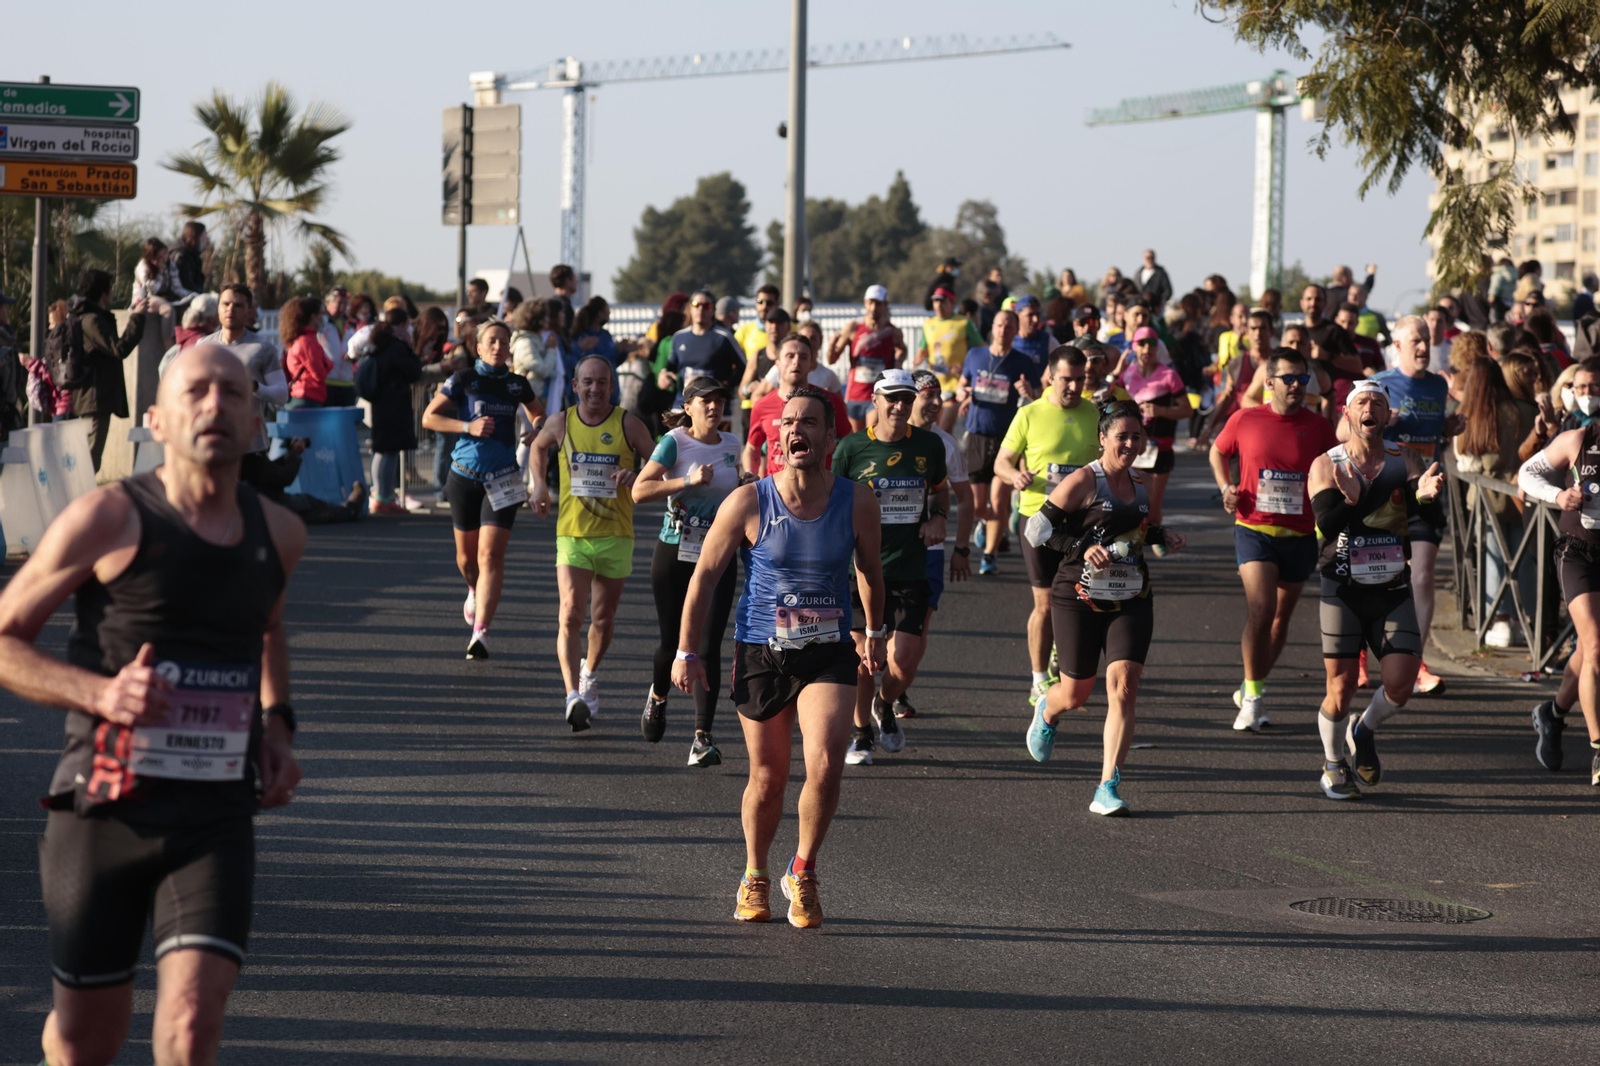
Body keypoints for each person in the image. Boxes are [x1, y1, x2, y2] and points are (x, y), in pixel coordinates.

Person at [0, 343, 305, 1066]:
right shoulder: (106, 518)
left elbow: (268, 630)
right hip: (105, 807)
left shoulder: (280, 535)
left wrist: (278, 723)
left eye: (233, 393)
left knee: (193, 1022)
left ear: (257, 422)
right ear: (158, 421)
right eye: (196, 392)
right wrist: (102, 692)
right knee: (83, 1044)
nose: (215, 405)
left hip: (215, 814)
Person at [672, 386, 885, 929]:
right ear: (775, 437)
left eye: (810, 422)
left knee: (825, 761)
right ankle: (755, 875)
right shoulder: (747, 502)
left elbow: (869, 571)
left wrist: (874, 631)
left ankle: (805, 871)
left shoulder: (857, 500)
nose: (797, 431)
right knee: (768, 776)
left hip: (829, 650)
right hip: (763, 651)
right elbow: (703, 579)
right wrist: (687, 651)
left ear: (831, 437)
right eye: (788, 422)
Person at [1023, 401, 1188, 815]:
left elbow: (1137, 534)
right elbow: (1035, 529)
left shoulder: (1142, 483)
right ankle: (1049, 708)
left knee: (1124, 686)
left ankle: (1107, 786)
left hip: (1132, 596)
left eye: (1137, 436)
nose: (1131, 444)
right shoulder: (1083, 480)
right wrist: (1082, 547)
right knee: (1077, 693)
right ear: (1103, 438)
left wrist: (1163, 536)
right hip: (1078, 596)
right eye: (1122, 436)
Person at [1308, 379, 1445, 799]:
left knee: (1401, 683)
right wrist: (1350, 501)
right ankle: (1333, 766)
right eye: (1362, 402)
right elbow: (1324, 529)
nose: (1370, 408)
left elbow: (1430, 517)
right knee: (1341, 686)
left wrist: (1424, 499)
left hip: (1390, 586)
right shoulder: (1326, 464)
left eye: (1379, 403)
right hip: (1342, 587)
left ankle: (1363, 731)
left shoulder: (1406, 461)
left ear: (1387, 417)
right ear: (1348, 414)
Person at [1210, 346, 1340, 731]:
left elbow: (1335, 466)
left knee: (1281, 620)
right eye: (1289, 379)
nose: (1298, 385)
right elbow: (1218, 453)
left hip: (1299, 534)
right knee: (1262, 611)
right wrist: (1225, 488)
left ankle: (1253, 682)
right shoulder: (1246, 419)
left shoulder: (1317, 426)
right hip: (1254, 529)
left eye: (1303, 379)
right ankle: (1252, 700)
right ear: (1269, 383)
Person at [531, 355, 656, 729]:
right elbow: (538, 448)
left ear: (612, 386)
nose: (594, 389)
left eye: (602, 382)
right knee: (570, 612)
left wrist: (638, 475)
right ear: (575, 386)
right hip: (572, 534)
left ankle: (589, 673)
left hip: (616, 535)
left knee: (602, 618)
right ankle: (572, 695)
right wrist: (539, 485)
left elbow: (660, 460)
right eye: (587, 382)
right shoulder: (561, 422)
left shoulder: (628, 423)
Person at [831, 370, 949, 766]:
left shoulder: (929, 446)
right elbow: (830, 503)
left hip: (910, 568)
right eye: (892, 398)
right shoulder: (850, 449)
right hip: (859, 570)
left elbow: (941, 490)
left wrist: (939, 517)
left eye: (906, 399)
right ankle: (861, 732)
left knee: (904, 659)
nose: (900, 406)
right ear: (876, 401)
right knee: (864, 659)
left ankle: (885, 702)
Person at [634, 377, 751, 764]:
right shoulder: (675, 442)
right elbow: (639, 490)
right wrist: (687, 480)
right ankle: (658, 696)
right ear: (688, 406)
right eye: (706, 401)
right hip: (675, 553)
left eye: (719, 400)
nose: (714, 407)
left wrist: (743, 484)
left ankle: (702, 736)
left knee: (709, 646)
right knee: (672, 644)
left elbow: (732, 491)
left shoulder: (733, 444)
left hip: (717, 555)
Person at [422, 319, 546, 660]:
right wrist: (467, 425)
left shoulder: (517, 384)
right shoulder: (463, 379)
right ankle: (473, 588)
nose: (498, 347)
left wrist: (536, 429)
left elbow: (538, 414)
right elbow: (429, 418)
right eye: (491, 341)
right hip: (463, 476)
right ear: (478, 347)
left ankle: (481, 632)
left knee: (491, 555)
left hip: (504, 477)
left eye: (503, 342)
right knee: (467, 558)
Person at [996, 347, 1099, 705]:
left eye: (1079, 379)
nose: (1073, 386)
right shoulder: (1030, 414)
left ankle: (1064, 658)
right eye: (1066, 379)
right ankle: (1039, 678)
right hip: (1038, 518)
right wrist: (1015, 474)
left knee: (1079, 598)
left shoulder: (1095, 414)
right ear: (1051, 377)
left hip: (1084, 522)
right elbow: (1002, 462)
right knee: (1044, 604)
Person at [1372, 315, 1463, 694]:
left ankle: (1416, 661)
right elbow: (1345, 432)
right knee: (1379, 577)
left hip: (1427, 491)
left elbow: (1433, 429)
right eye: (1415, 341)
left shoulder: (1439, 386)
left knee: (1422, 576)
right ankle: (1365, 652)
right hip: (1387, 492)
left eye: (1426, 340)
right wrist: (1377, 421)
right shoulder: (1380, 385)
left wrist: (1446, 428)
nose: (1424, 347)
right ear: (1398, 346)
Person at [1519, 366, 1600, 780]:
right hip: (1579, 552)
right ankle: (1599, 750)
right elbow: (1526, 473)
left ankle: (1551, 714)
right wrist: (1559, 495)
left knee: (1589, 650)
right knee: (1596, 645)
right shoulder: (1579, 439)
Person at [891, 368, 973, 719]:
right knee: (879, 627)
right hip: (885, 550)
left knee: (918, 624)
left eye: (940, 396)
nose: (937, 403)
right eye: (929, 396)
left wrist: (962, 549)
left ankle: (897, 689)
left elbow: (964, 499)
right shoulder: (879, 442)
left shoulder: (944, 444)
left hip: (929, 551)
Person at [1453, 355, 1536, 648]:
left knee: (1492, 558)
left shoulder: (1474, 415)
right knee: (1523, 558)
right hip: (1524, 495)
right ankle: (1522, 620)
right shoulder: (1525, 410)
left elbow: (1467, 466)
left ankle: (1498, 621)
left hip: (1488, 496)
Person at [959, 308, 1041, 575]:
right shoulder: (975, 355)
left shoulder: (1022, 361)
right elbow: (962, 384)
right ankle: (985, 524)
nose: (1003, 331)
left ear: (1016, 331)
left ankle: (989, 555)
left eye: (1009, 327)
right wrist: (963, 392)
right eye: (999, 325)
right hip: (977, 435)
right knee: (977, 505)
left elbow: (1039, 394)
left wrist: (1029, 392)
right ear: (991, 328)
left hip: (1007, 440)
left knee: (998, 499)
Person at [64, 269, 150, 471]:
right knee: (89, 460)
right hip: (93, 399)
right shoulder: (91, 320)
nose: (112, 293)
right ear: (104, 293)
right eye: (110, 289)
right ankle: (81, 500)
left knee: (90, 458)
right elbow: (118, 349)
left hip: (94, 398)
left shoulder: (88, 317)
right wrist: (137, 318)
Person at [201, 285, 285, 477]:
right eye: (226, 304)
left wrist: (254, 386)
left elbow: (281, 395)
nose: (230, 309)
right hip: (212, 443)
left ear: (249, 312)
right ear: (218, 308)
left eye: (238, 305)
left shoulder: (262, 349)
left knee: (249, 505)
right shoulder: (204, 346)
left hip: (250, 445)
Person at [745, 333, 851, 478]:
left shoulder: (828, 401)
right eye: (790, 356)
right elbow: (752, 448)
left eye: (803, 357)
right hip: (777, 491)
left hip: (820, 490)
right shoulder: (762, 405)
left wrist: (828, 448)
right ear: (778, 363)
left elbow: (849, 442)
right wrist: (750, 475)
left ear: (811, 365)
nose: (796, 362)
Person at [1113, 327, 1188, 527]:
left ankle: (1155, 530)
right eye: (1142, 343)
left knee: (1152, 511)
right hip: (1133, 447)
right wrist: (1114, 374)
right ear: (1133, 347)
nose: (1147, 348)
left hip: (1160, 449)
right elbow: (1106, 396)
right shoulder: (1126, 375)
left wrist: (1162, 411)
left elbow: (1187, 410)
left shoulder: (1169, 375)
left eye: (1152, 344)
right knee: (1131, 507)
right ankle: (1132, 550)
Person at [359, 307, 424, 515]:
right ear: (403, 325)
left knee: (381, 451)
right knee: (389, 452)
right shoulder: (397, 345)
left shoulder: (379, 342)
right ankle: (383, 498)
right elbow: (413, 372)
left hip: (381, 404)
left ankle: (380, 496)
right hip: (394, 405)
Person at [828, 284, 906, 432]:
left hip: (879, 392)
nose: (873, 307)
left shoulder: (892, 332)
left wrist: (898, 361)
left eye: (877, 303)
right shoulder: (853, 328)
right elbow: (832, 359)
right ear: (865, 303)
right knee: (856, 439)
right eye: (870, 302)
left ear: (885, 305)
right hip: (855, 393)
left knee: (871, 435)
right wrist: (831, 346)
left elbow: (903, 349)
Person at [914, 287, 984, 431]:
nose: (938, 305)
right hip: (932, 386)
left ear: (952, 303)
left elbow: (982, 350)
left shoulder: (964, 323)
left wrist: (966, 368)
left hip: (955, 386)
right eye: (935, 301)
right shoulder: (928, 324)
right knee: (928, 428)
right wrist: (918, 359)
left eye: (943, 301)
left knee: (942, 430)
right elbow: (922, 351)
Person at [659, 290, 745, 408]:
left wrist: (726, 384)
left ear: (713, 310)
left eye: (706, 306)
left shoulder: (723, 337)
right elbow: (671, 365)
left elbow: (743, 367)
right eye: (696, 305)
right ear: (690, 307)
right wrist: (663, 374)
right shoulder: (679, 337)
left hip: (713, 408)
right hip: (683, 405)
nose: (700, 309)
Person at [279, 297, 331, 410]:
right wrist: (329, 364)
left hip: (302, 395)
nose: (324, 317)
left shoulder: (299, 339)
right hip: (307, 397)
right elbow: (319, 374)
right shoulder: (307, 341)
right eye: (322, 313)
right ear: (313, 316)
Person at [1011, 294, 1057, 377]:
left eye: (1038, 314)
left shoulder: (1048, 340)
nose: (1035, 320)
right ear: (1018, 315)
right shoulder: (1009, 339)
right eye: (1030, 315)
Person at [174, 221, 208, 295]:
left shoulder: (193, 255)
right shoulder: (182, 256)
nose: (206, 239)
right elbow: (186, 283)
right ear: (196, 236)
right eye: (204, 236)